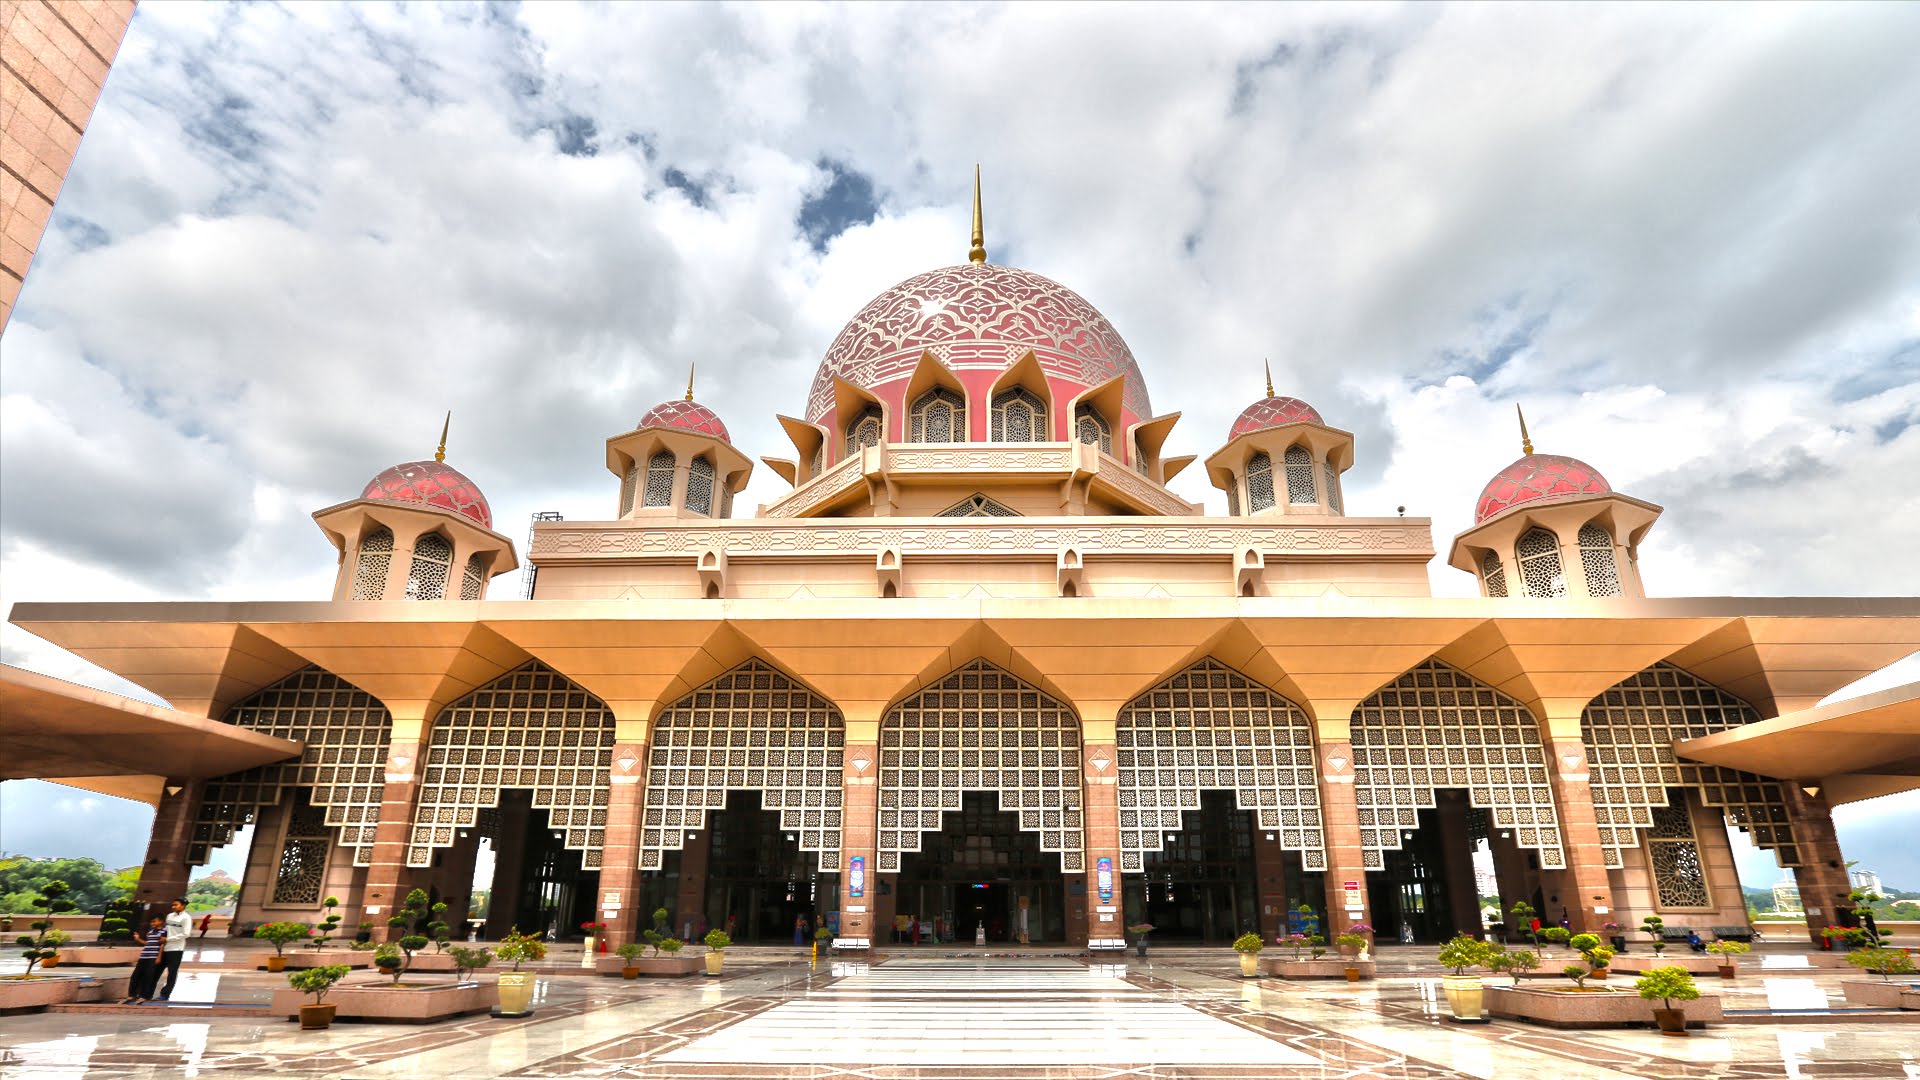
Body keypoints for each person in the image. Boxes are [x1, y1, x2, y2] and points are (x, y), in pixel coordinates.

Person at [123, 916, 166, 1004]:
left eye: (154, 921)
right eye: (151, 922)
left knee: (148, 977)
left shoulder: (164, 931)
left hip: (153, 957)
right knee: (136, 976)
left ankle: (144, 996)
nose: (152, 923)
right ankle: (131, 995)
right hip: (144, 956)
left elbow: (162, 945)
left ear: (161, 921)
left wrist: (159, 957)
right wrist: (138, 939)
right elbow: (148, 943)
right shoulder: (150, 931)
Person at [158, 897, 191, 1001]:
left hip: (176, 949)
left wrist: (168, 939)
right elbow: (166, 930)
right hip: (165, 948)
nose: (173, 907)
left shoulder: (186, 918)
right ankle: (147, 992)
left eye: (176, 905)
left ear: (183, 906)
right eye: (172, 905)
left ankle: (165, 994)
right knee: (156, 970)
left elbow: (186, 934)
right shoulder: (169, 916)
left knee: (172, 973)